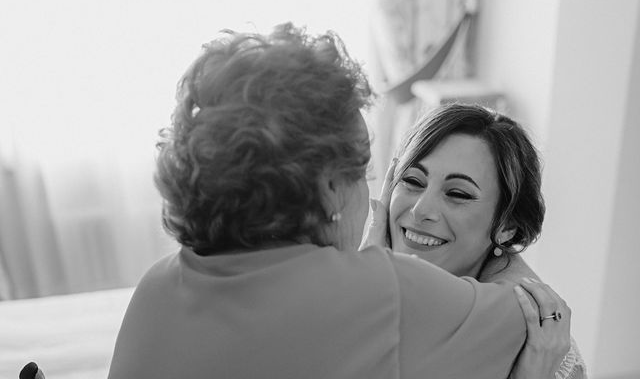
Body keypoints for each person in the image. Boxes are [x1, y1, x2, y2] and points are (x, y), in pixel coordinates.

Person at [108, 24, 553, 379]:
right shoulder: (388, 294)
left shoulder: (155, 288)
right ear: (329, 187)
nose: (377, 193)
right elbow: (545, 317)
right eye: (363, 170)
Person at [362, 103, 586, 378]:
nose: (421, 210)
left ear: (507, 227)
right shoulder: (344, 276)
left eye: (458, 193)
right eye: (412, 180)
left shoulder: (540, 341)